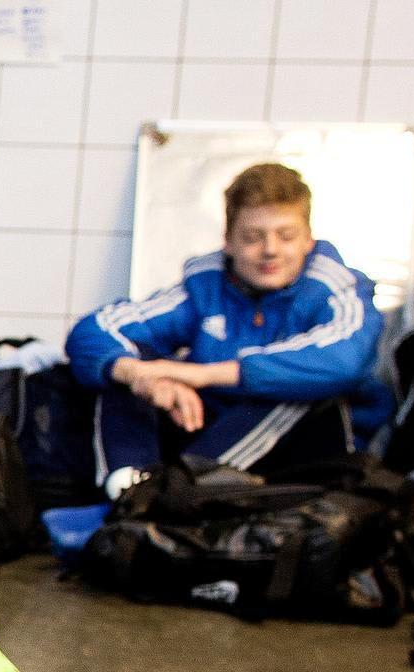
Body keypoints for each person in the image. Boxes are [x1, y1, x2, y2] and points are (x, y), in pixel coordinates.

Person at [67, 162, 387, 493]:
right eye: (252, 237)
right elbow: (94, 329)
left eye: (286, 236)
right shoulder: (206, 286)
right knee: (125, 362)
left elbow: (345, 361)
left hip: (310, 455)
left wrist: (200, 375)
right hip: (206, 433)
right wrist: (143, 376)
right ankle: (130, 486)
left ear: (308, 240)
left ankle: (181, 490)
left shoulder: (337, 288)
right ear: (228, 242)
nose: (270, 250)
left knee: (296, 388)